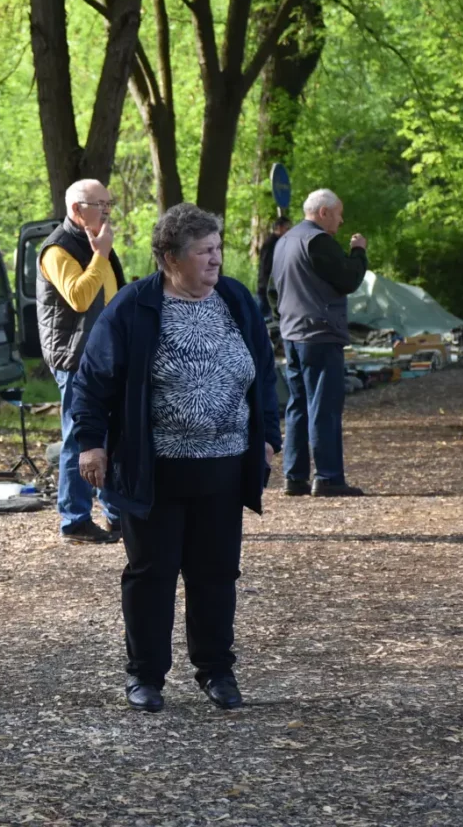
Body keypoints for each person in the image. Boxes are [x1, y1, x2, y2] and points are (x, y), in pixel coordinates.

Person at [70, 203, 280, 713]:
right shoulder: (134, 306)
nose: (216, 260)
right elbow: (93, 380)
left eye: (218, 249)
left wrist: (268, 435)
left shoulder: (234, 299)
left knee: (216, 572)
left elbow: (265, 373)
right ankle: (145, 677)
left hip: (224, 467)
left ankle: (216, 671)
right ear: (170, 258)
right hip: (155, 468)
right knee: (152, 574)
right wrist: (91, 443)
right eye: (204, 251)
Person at [37, 179, 127, 543]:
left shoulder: (96, 241)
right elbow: (79, 298)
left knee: (113, 435)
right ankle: (74, 520)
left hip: (105, 354)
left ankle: (117, 514)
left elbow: (112, 294)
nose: (107, 210)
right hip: (75, 358)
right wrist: (101, 254)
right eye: (99, 204)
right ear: (76, 209)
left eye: (108, 203)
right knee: (80, 438)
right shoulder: (57, 249)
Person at [272, 188, 368, 498]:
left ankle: (294, 476)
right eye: (338, 214)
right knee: (324, 405)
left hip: (291, 332)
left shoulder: (283, 242)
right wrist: (358, 251)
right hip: (320, 333)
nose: (341, 221)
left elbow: (272, 291)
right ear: (323, 212)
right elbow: (348, 280)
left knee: (298, 404)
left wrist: (286, 320)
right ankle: (327, 476)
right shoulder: (319, 242)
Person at [256, 216, 292, 318]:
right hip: (268, 287)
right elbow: (267, 266)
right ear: (279, 228)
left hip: (271, 286)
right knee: (262, 316)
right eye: (287, 228)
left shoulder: (277, 242)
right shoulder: (272, 243)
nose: (289, 231)